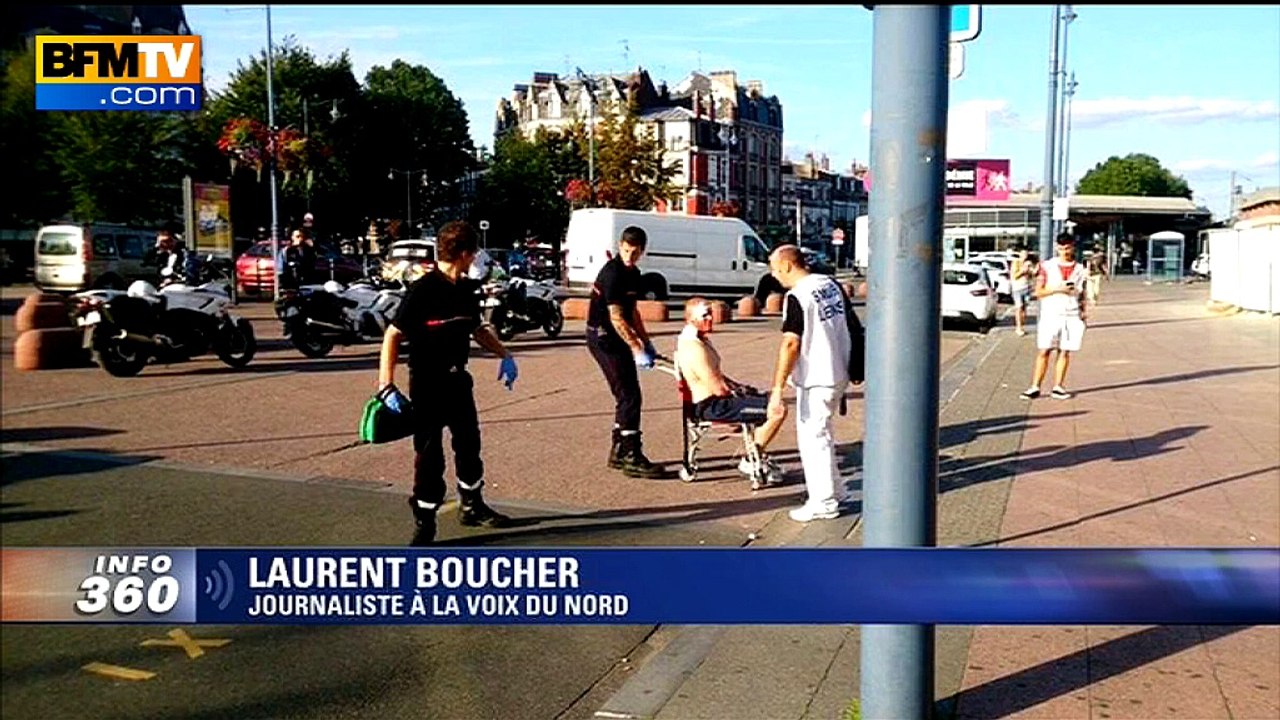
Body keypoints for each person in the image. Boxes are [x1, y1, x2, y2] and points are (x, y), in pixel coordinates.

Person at [378, 220, 518, 546]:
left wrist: (505, 354)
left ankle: (472, 506)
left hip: (458, 381)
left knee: (469, 445)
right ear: (465, 253)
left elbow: (476, 329)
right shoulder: (423, 290)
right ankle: (424, 521)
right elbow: (393, 335)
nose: (476, 258)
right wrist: (386, 386)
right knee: (429, 456)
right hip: (427, 383)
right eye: (474, 253)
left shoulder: (466, 290)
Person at [766, 245, 858, 522]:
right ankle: (837, 490)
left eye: (774, 268)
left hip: (816, 376)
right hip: (838, 368)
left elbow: (791, 343)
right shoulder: (829, 284)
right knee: (824, 434)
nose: (773, 274)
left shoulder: (797, 296)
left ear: (786, 266)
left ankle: (823, 501)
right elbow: (851, 323)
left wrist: (777, 388)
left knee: (813, 440)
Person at [674, 297, 786, 486]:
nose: (710, 318)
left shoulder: (699, 340)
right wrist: (740, 396)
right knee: (777, 409)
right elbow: (718, 389)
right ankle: (750, 459)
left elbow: (718, 377)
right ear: (691, 319)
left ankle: (756, 453)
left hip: (714, 401)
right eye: (705, 315)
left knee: (767, 399)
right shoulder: (694, 348)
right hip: (712, 406)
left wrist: (740, 388)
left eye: (711, 313)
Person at [586, 225, 665, 479]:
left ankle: (619, 451)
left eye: (635, 252)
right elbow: (617, 317)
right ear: (620, 246)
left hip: (617, 336)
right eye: (627, 250)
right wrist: (636, 348)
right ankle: (631, 454)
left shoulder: (634, 274)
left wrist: (647, 342)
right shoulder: (613, 273)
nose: (630, 255)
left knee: (627, 394)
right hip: (603, 338)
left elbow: (632, 312)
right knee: (629, 395)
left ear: (642, 251)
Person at [1021, 234, 1088, 401]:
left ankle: (1058, 386)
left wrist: (1083, 311)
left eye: (1068, 248)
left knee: (1065, 350)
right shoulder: (1047, 267)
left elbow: (1082, 293)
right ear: (1057, 247)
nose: (1065, 251)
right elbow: (1038, 292)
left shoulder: (1080, 269)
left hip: (1071, 312)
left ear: (1073, 247)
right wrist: (1057, 289)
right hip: (1051, 313)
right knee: (1044, 350)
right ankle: (1035, 386)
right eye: (1062, 248)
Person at [1010, 245, 1035, 336]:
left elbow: (1032, 275)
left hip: (1026, 288)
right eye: (1023, 253)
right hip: (1017, 289)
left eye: (1026, 253)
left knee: (1024, 310)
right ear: (1020, 254)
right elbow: (1014, 276)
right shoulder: (1016, 263)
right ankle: (1018, 328)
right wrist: (1023, 270)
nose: (1025, 255)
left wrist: (1032, 271)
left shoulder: (1028, 263)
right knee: (1019, 308)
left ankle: (1022, 325)